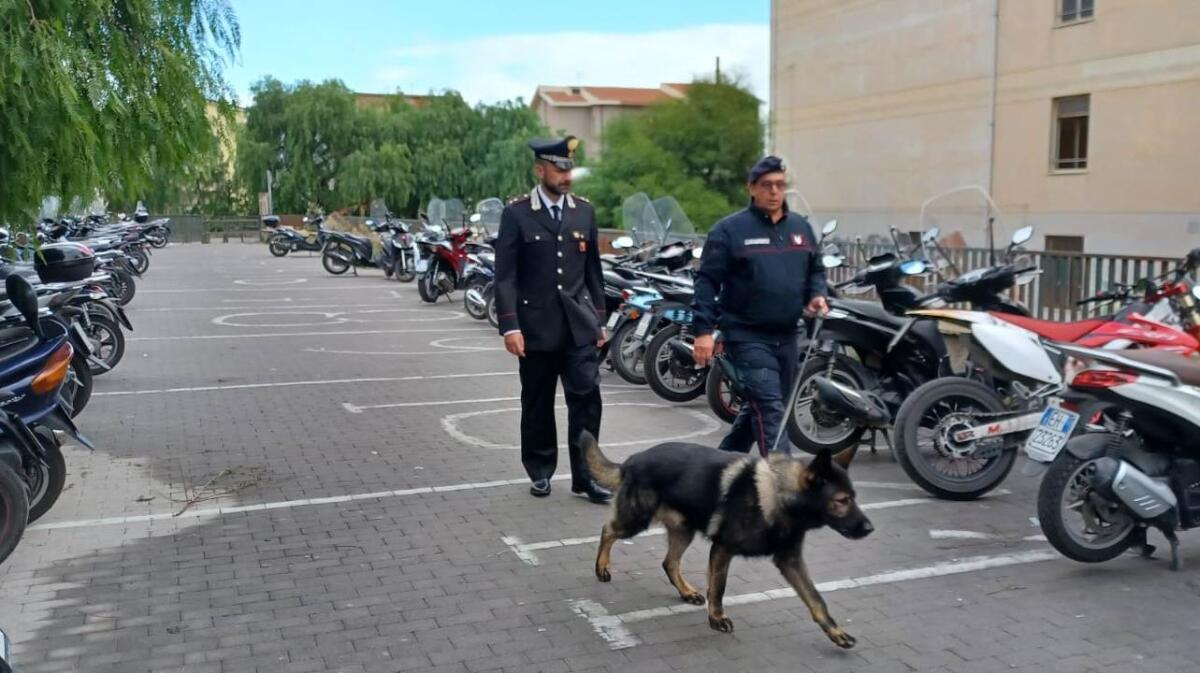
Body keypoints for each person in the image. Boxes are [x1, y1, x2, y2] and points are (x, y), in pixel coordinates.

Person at [493, 136, 612, 503]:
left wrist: (601, 320)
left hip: (578, 326)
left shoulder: (583, 212)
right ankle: (541, 470)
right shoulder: (517, 213)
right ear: (540, 170)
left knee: (587, 399)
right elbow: (506, 275)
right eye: (559, 169)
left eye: (569, 169)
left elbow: (593, 271)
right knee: (537, 403)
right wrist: (510, 325)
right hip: (535, 328)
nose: (566, 176)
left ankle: (587, 476)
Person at [691, 156, 829, 456]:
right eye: (767, 185)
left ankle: (721, 468)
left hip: (788, 337)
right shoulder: (730, 230)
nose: (775, 192)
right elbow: (706, 282)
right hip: (746, 337)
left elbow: (815, 270)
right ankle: (783, 487)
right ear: (752, 188)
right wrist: (703, 331)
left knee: (763, 407)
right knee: (769, 410)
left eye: (780, 185)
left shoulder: (800, 227)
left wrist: (817, 294)